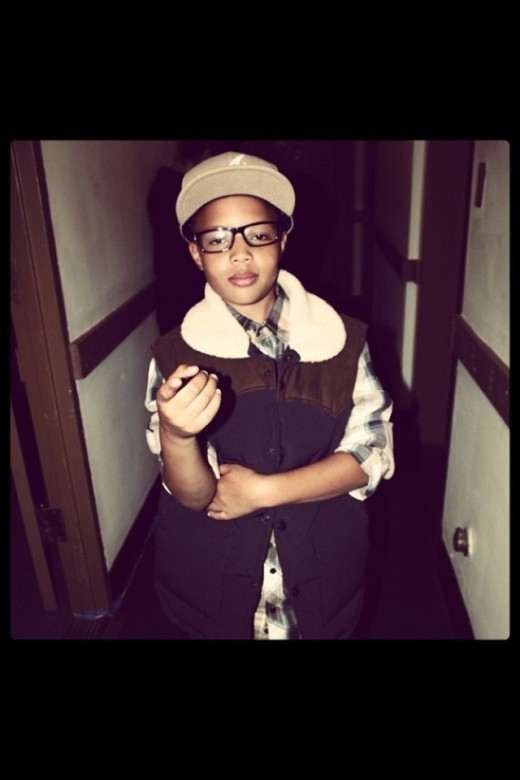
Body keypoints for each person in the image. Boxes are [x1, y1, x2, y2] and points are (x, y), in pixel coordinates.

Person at [144, 150, 394, 640]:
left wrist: (263, 491)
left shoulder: (344, 341)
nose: (240, 254)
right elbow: (196, 496)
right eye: (217, 239)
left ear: (282, 239)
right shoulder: (175, 355)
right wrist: (176, 435)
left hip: (323, 583)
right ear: (195, 253)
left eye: (257, 234)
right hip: (212, 590)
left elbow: (373, 452)